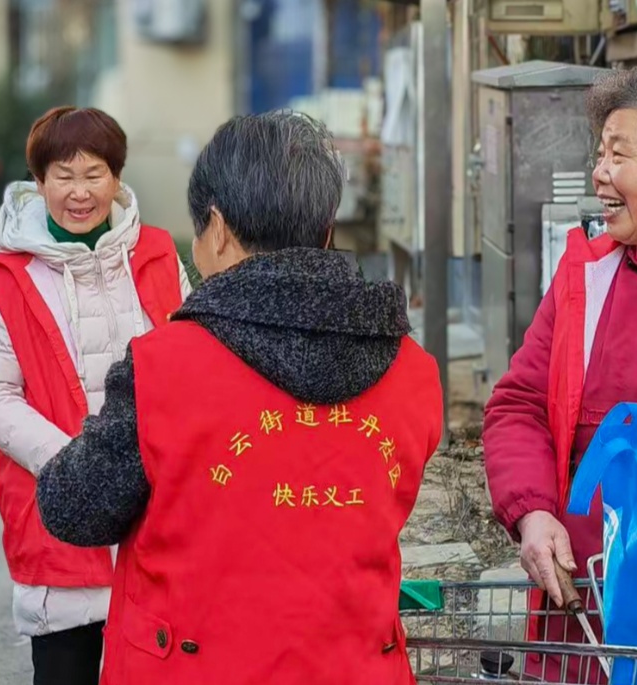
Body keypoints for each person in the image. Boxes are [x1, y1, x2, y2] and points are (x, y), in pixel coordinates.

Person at [35, 110, 444, 684]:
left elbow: (72, 508)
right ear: (326, 230)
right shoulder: (414, 371)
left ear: (219, 229)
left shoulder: (162, 367)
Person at [484, 67, 637, 683]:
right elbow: (518, 407)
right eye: (599, 153)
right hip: (584, 612)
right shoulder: (585, 278)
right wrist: (532, 511)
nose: (599, 173)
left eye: (619, 154)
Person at [0, 106, 191, 685]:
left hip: (157, 504)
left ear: (117, 178)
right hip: (59, 502)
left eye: (94, 174)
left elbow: (193, 365)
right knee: (65, 663)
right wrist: (74, 464)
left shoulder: (160, 255)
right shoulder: (7, 276)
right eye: (63, 176)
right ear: (38, 182)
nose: (79, 192)